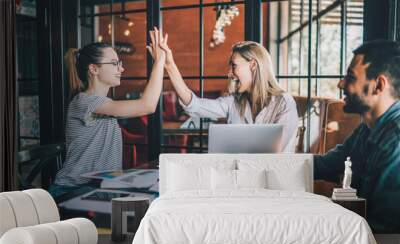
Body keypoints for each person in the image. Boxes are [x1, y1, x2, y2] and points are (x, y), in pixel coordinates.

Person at [49, 28, 166, 200]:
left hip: (100, 187)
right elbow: (147, 106)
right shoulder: (85, 101)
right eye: (114, 63)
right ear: (93, 69)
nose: (122, 68)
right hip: (72, 190)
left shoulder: (105, 103)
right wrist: (160, 61)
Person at [156, 30, 299, 152]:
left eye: (234, 65)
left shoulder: (284, 103)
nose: (229, 73)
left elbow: (279, 155)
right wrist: (169, 65)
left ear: (253, 65)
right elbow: (195, 105)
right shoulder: (234, 102)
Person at [314, 40, 400, 233]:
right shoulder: (368, 128)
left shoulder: (396, 140)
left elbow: (384, 230)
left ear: (378, 85)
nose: (341, 83)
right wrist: (264, 163)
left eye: (351, 77)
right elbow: (326, 165)